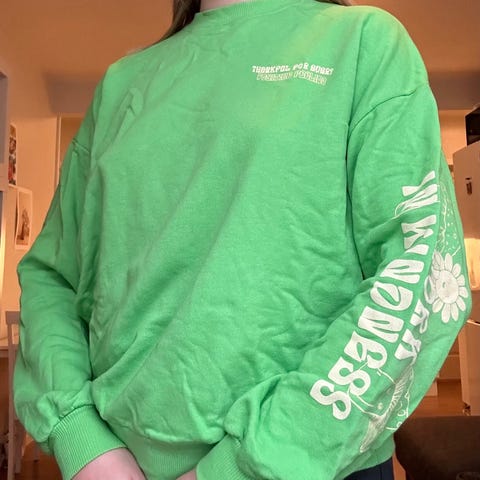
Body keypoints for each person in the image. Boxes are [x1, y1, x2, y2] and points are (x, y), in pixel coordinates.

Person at [14, 0, 471, 479]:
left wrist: (247, 466)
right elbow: (52, 277)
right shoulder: (120, 84)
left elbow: (420, 271)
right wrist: (80, 436)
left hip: (309, 466)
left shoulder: (363, 43)